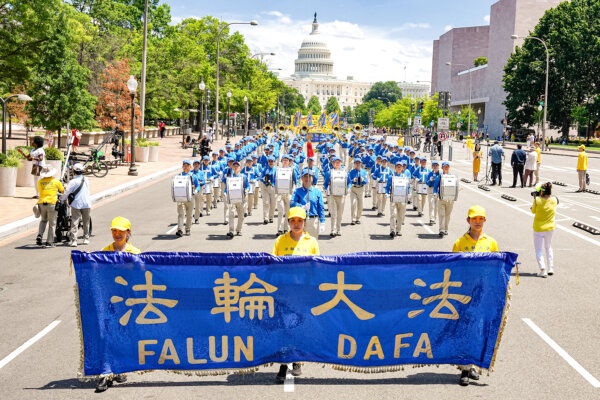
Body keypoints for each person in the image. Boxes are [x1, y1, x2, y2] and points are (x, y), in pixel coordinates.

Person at [452, 205, 498, 386]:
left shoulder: (491, 242)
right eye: (474, 219)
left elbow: (496, 268)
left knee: (478, 331)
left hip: (483, 293)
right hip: (465, 293)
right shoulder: (460, 243)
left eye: (481, 219)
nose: (477, 222)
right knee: (465, 330)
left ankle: (472, 365)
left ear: (485, 220)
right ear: (468, 221)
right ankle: (463, 368)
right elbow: (454, 268)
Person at [271, 206, 318, 382]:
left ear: (305, 222)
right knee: (284, 328)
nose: (296, 224)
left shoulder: (311, 242)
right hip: (284, 294)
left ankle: (296, 360)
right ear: (288, 222)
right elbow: (271, 266)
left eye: (299, 221)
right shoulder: (280, 241)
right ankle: (284, 364)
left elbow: (316, 269)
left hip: (303, 294)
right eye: (293, 221)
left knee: (299, 327)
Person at [96, 216, 140, 392]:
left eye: (121, 231)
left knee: (124, 335)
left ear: (128, 233)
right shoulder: (104, 251)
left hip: (128, 303)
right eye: (114, 231)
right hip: (109, 302)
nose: (117, 234)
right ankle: (106, 372)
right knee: (107, 335)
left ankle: (120, 368)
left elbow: (142, 276)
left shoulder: (135, 253)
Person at [531, 182, 557, 277]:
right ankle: (551, 268)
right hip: (550, 227)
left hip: (538, 228)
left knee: (538, 249)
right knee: (548, 247)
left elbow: (533, 211)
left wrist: (536, 197)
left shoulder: (537, 200)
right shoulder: (554, 200)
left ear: (541, 191)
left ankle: (542, 269)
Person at [61, 163, 91, 246]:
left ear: (74, 171)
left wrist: (62, 199)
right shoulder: (86, 179)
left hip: (76, 203)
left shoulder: (73, 181)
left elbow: (67, 192)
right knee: (86, 221)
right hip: (86, 203)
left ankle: (74, 240)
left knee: (75, 221)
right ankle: (86, 238)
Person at [290, 169, 326, 238]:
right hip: (300, 220)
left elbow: (321, 207)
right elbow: (292, 203)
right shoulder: (297, 191)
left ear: (312, 178)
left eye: (309, 176)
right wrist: (302, 207)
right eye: (305, 176)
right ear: (302, 178)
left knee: (312, 244)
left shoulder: (317, 192)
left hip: (313, 221)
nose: (307, 179)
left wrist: (322, 221)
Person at [35, 166, 64, 247]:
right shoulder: (56, 181)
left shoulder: (40, 181)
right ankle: (49, 242)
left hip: (41, 202)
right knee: (52, 223)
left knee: (43, 220)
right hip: (52, 203)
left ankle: (40, 235)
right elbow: (62, 191)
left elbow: (41, 191)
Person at [323, 156, 349, 237]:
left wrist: (347, 189)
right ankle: (333, 230)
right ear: (332, 164)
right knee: (333, 213)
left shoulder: (345, 172)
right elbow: (325, 183)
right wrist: (325, 189)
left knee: (340, 214)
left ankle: (338, 229)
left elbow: (349, 182)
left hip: (341, 196)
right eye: (335, 162)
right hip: (332, 195)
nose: (337, 163)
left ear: (341, 163)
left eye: (339, 162)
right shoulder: (329, 172)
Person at [223, 160, 249, 237]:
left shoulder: (243, 177)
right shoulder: (230, 177)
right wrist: (225, 193)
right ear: (232, 168)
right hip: (232, 198)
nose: (235, 167)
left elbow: (247, 186)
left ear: (240, 168)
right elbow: (226, 187)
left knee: (241, 216)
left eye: (237, 166)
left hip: (241, 199)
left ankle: (238, 230)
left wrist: (247, 190)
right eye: (234, 166)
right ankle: (231, 230)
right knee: (231, 214)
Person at [175, 160, 200, 237]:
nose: (185, 167)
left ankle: (188, 228)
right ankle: (180, 229)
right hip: (181, 198)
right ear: (182, 167)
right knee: (180, 214)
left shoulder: (193, 176)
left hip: (190, 197)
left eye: (187, 165)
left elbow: (198, 185)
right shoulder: (179, 176)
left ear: (190, 167)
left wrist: (196, 190)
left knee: (189, 215)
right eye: (184, 165)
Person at [387, 161, 411, 237]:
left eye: (400, 166)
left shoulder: (404, 177)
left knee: (400, 216)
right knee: (393, 215)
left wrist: (409, 193)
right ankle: (392, 230)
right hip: (393, 198)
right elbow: (387, 186)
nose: (399, 167)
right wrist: (386, 193)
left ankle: (398, 230)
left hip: (402, 199)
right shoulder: (391, 176)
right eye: (397, 166)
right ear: (395, 167)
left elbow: (408, 186)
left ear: (402, 168)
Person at [348, 158, 368, 225]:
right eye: (356, 163)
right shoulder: (351, 172)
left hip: (361, 189)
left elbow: (366, 181)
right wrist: (353, 180)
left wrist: (363, 180)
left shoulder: (364, 172)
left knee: (360, 205)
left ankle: (358, 218)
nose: (358, 164)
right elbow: (349, 181)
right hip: (354, 188)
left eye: (359, 163)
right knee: (353, 204)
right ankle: (353, 219)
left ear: (361, 163)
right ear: (354, 164)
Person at [261, 156, 277, 225]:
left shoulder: (276, 170)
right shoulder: (265, 169)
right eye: (269, 161)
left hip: (273, 188)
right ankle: (266, 218)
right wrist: (264, 179)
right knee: (266, 202)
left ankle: (271, 217)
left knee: (273, 203)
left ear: (274, 162)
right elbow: (261, 177)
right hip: (266, 187)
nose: (270, 162)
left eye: (272, 161)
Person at [425, 160, 441, 225]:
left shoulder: (440, 174)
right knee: (431, 204)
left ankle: (434, 218)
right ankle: (431, 219)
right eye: (434, 165)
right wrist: (430, 180)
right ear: (432, 167)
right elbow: (427, 182)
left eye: (436, 165)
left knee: (437, 205)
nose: (435, 166)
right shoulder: (429, 174)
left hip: (438, 190)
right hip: (431, 189)